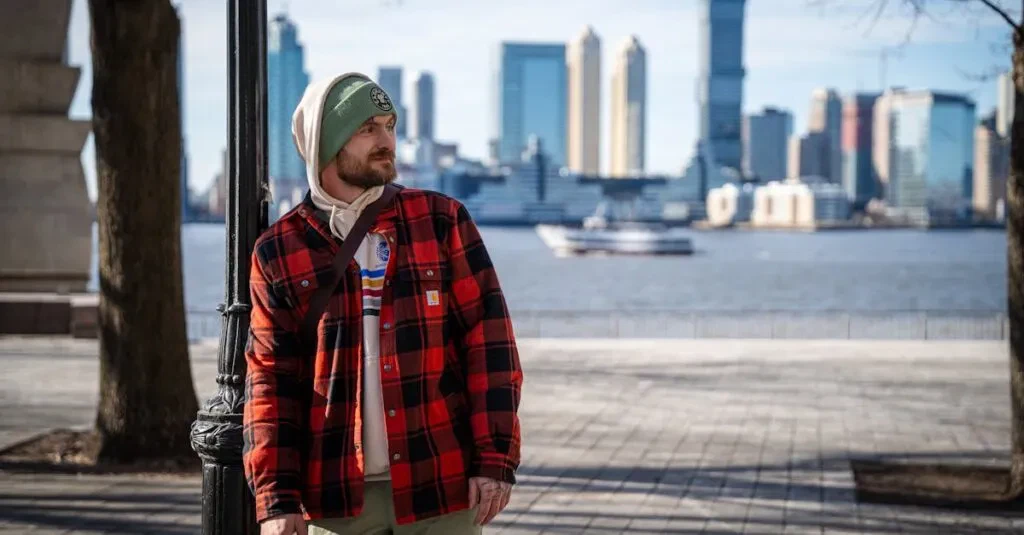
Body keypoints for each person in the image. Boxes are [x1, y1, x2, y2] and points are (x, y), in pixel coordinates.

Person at [243, 72, 523, 535]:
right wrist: (275, 498)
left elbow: (490, 346)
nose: (386, 140)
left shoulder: (441, 220)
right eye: (367, 128)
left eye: (389, 126)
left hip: (442, 488)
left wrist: (494, 459)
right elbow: (270, 381)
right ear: (326, 142)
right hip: (335, 500)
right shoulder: (278, 250)